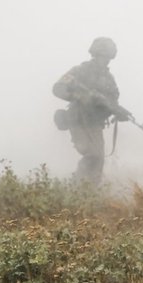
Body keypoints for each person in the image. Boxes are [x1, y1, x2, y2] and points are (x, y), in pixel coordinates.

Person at [53, 36, 132, 184]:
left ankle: (92, 194)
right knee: (92, 155)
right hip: (77, 120)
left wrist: (118, 112)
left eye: (108, 58)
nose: (105, 61)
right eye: (102, 57)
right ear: (94, 54)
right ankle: (75, 188)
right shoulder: (79, 71)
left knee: (99, 159)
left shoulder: (109, 79)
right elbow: (58, 88)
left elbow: (111, 102)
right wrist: (78, 96)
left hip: (94, 124)